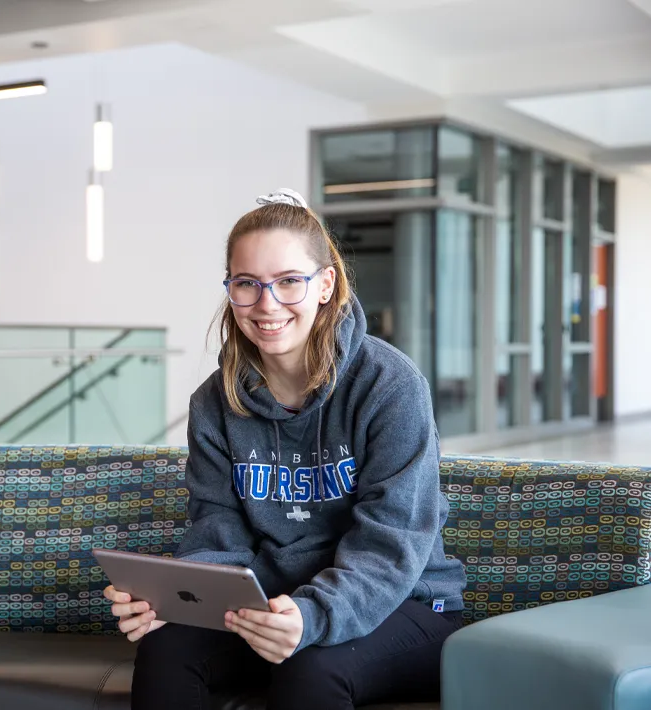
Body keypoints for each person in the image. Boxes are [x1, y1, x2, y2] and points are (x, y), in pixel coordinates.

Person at [104, 188, 467, 710]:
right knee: (166, 647)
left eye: (288, 282)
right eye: (247, 284)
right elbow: (218, 531)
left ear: (326, 285)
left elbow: (393, 544)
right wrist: (179, 603)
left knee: (311, 666)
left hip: (404, 606)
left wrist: (313, 616)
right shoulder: (215, 402)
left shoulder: (390, 386)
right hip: (272, 608)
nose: (266, 303)